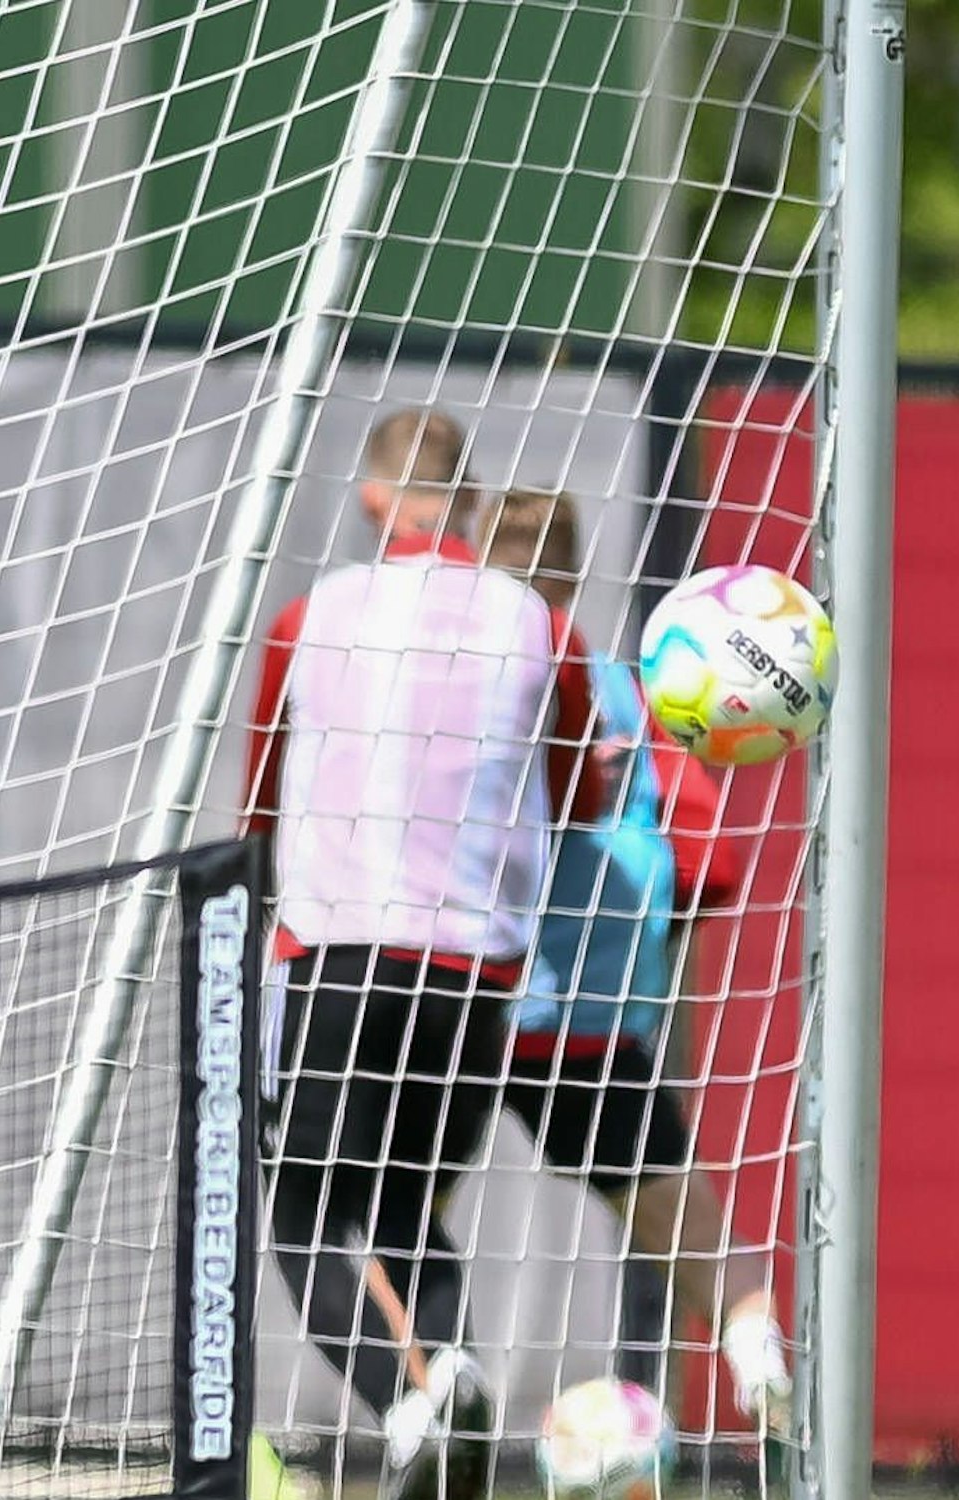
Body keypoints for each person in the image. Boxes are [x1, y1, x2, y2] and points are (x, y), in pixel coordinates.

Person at [244, 412, 600, 1500]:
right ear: (469, 495)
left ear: (369, 496)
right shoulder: (541, 629)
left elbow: (260, 794)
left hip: (340, 952)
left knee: (303, 1208)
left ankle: (408, 1398)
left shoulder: (314, 616)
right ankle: (450, 1378)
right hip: (478, 976)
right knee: (402, 1200)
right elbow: (578, 793)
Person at [478, 488, 794, 1431]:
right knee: (703, 1243)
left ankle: (430, 1394)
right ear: (576, 572)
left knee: (372, 1218)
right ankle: (757, 1356)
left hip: (464, 1000)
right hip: (596, 1021)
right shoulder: (629, 694)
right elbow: (707, 860)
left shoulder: (464, 678)